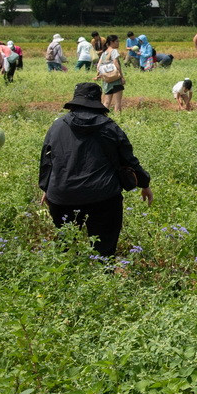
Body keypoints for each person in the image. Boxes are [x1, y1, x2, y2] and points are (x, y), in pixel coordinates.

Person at [39, 82, 153, 257]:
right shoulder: (109, 127)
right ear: (98, 101)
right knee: (104, 250)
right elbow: (128, 160)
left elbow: (47, 160)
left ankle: (68, 278)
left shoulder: (57, 126)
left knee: (65, 248)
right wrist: (144, 184)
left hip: (62, 196)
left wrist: (47, 187)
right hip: (102, 196)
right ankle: (104, 275)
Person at [96, 35, 125, 113]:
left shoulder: (104, 53)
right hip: (115, 79)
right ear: (112, 42)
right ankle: (118, 119)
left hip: (107, 80)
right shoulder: (114, 51)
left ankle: (102, 116)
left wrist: (99, 75)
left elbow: (98, 65)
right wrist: (121, 76)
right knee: (117, 103)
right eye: (117, 41)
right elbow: (116, 62)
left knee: (106, 102)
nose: (118, 43)